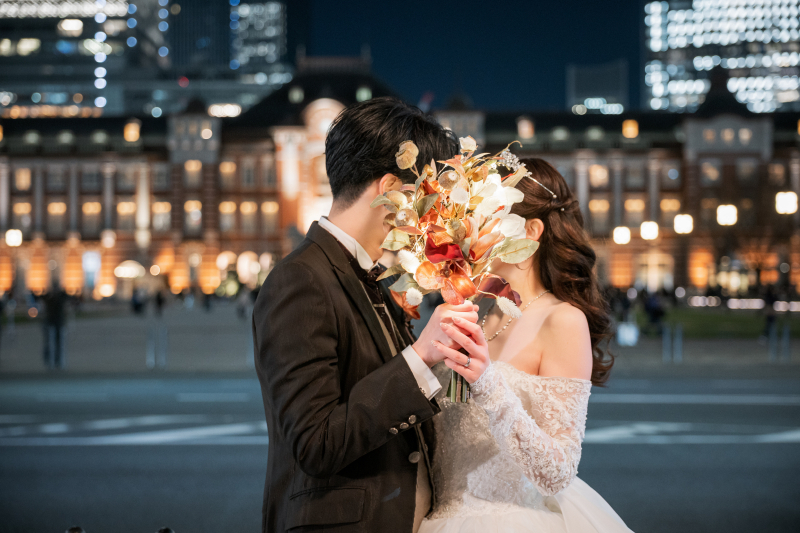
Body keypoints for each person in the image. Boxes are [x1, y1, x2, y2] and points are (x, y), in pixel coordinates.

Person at [252, 97, 479, 533]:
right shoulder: (300, 280)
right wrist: (419, 357)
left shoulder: (366, 274)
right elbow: (315, 443)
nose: (429, 216)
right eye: (422, 196)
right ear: (389, 187)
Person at [421, 158, 632, 532]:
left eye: (485, 216)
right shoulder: (471, 309)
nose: (468, 230)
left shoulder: (562, 320)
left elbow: (558, 473)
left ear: (530, 230)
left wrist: (488, 386)